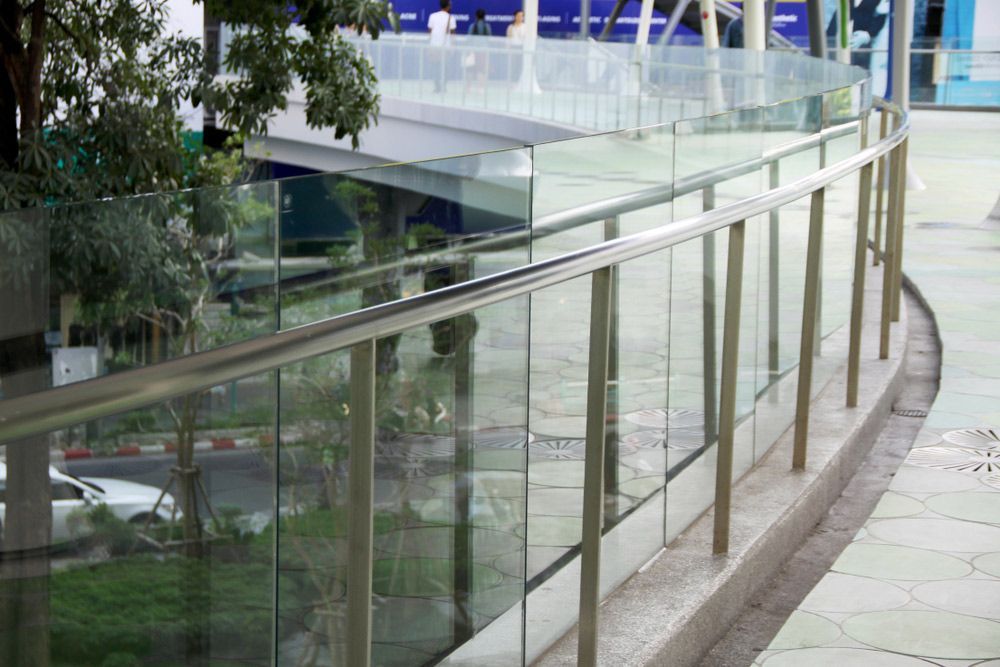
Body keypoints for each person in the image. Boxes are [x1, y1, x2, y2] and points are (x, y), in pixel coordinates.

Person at [428, 0, 456, 92]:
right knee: (445, 68)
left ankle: (437, 86)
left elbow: (430, 32)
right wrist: (453, 47)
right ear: (448, 6)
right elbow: (452, 35)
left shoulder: (432, 16)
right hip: (445, 47)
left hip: (434, 46)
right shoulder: (450, 18)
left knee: (435, 67)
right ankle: (443, 86)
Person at [465, 9, 491, 92]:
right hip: (483, 51)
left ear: (476, 16)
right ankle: (481, 88)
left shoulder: (472, 26)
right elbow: (489, 39)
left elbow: (469, 39)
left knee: (470, 69)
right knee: (481, 70)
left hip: (473, 51)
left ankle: (469, 87)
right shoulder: (487, 27)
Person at [506, 9, 526, 83]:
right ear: (515, 17)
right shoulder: (510, 27)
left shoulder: (525, 27)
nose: (520, 17)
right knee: (513, 66)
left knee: (520, 66)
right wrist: (508, 48)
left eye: (522, 16)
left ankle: (520, 82)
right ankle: (513, 82)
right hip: (513, 48)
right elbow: (508, 39)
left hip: (522, 48)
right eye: (518, 16)